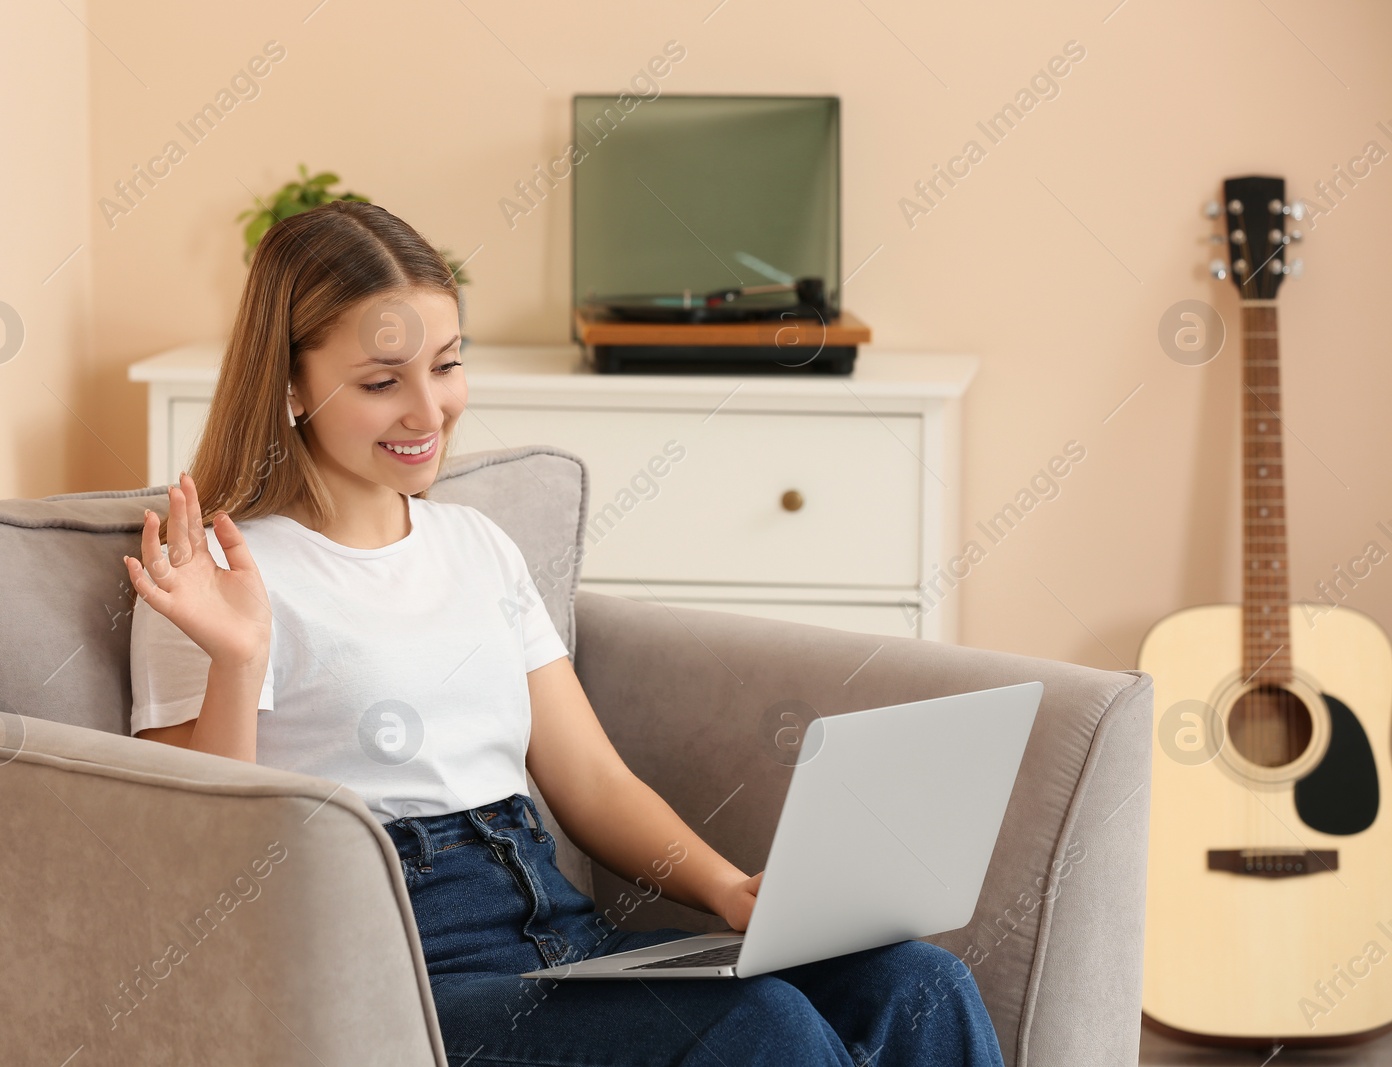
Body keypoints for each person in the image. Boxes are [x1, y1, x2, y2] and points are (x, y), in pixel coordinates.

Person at [123, 200, 1004, 1067]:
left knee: (920, 983)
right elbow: (208, 872)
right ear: (290, 383)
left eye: (447, 364)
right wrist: (238, 659)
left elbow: (590, 781)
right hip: (410, 976)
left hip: (564, 937)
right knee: (758, 1026)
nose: (429, 412)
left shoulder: (478, 545)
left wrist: (730, 889)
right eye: (382, 381)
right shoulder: (217, 579)